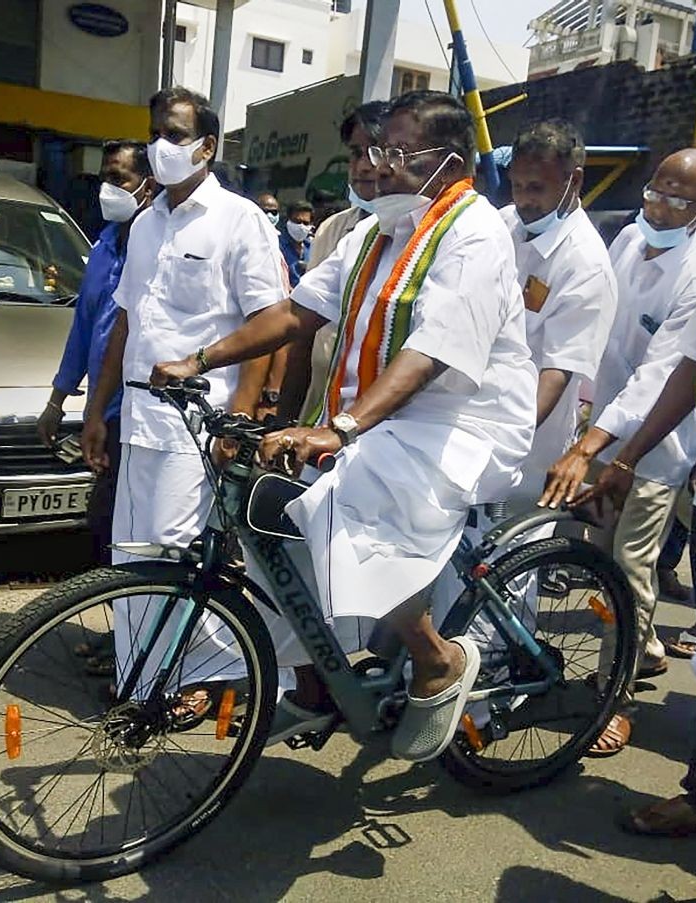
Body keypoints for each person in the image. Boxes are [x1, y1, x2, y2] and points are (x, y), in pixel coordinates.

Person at [150, 90, 538, 762]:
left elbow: (430, 353)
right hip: (388, 423)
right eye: (375, 151)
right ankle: (315, 681)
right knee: (265, 509)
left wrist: (342, 427)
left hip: (464, 424)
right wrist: (200, 358)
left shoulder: (475, 234)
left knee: (338, 489)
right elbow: (295, 315)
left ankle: (436, 659)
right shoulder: (374, 230)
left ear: (448, 161)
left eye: (395, 153)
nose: (379, 167)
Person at [80, 87, 286, 697]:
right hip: (139, 417)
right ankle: (141, 682)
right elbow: (125, 321)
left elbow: (266, 324)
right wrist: (96, 410)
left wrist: (242, 414)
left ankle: (190, 681)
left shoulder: (239, 220)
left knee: (177, 559)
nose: (158, 147)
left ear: (207, 147)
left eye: (173, 134)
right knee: (133, 558)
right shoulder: (145, 223)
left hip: (198, 424)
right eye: (154, 133)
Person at [540, 148, 696, 756]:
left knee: (630, 568)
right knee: (599, 557)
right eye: (656, 193)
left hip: (653, 449)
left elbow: (660, 378)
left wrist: (614, 453)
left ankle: (615, 698)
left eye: (679, 200)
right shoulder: (624, 243)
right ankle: (636, 650)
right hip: (603, 438)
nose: (662, 208)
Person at [570, 254, 696, 837]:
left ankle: (623, 692)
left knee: (633, 568)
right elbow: (687, 366)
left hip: (677, 468)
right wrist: (619, 455)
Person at [37, 139, 154, 563]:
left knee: (124, 523)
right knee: (105, 523)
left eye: (118, 178)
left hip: (141, 413)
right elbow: (84, 328)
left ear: (148, 184)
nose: (109, 189)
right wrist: (57, 400)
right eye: (106, 178)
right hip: (104, 411)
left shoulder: (157, 246)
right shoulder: (103, 246)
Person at [502, 120, 617, 506]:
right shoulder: (504, 226)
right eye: (517, 186)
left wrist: (506, 438)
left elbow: (557, 370)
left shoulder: (585, 265)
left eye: (536, 188)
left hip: (523, 448)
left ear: (575, 180)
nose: (524, 200)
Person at [278, 100, 390, 423]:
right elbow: (302, 330)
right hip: (319, 408)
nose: (363, 166)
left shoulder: (414, 232)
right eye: (356, 153)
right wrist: (284, 419)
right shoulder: (332, 230)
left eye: (375, 152)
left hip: (375, 419)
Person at [279, 200, 314, 287]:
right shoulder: (276, 246)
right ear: (288, 221)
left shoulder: (313, 247)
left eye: (305, 223)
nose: (301, 226)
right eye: (297, 222)